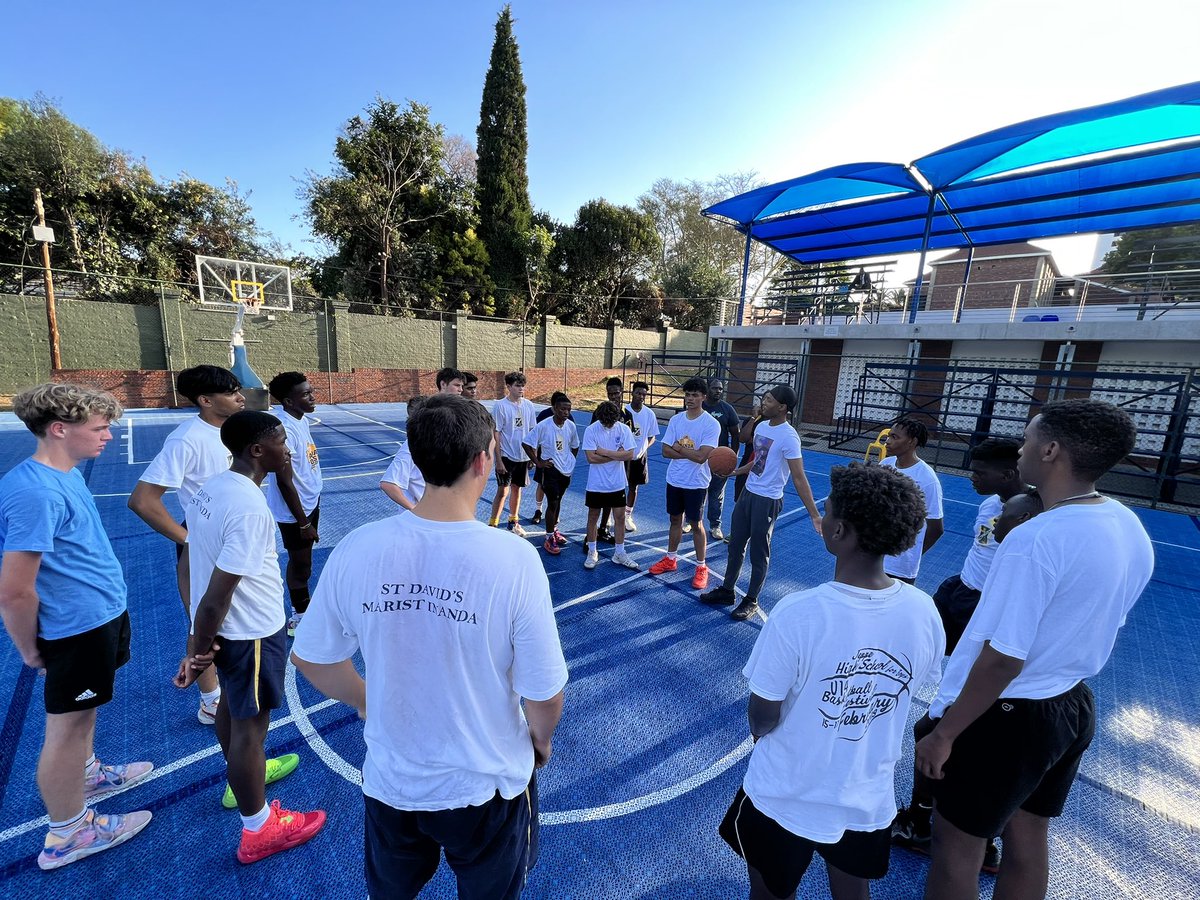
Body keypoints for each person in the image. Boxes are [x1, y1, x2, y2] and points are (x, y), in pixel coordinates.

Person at [291, 394, 567, 900]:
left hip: (393, 780)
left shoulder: (359, 546)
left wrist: (364, 698)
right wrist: (540, 742)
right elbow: (544, 692)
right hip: (485, 785)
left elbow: (311, 656)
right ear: (485, 458)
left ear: (416, 459)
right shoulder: (512, 559)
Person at [916, 400, 1153, 900]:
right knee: (1027, 836)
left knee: (957, 846)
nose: (1020, 450)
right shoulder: (1126, 522)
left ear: (1050, 450)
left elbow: (1004, 656)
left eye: (1027, 440)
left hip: (1006, 716)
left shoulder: (1036, 538)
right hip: (1069, 703)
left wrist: (947, 732)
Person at [718, 463, 944, 900]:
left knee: (769, 892)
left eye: (827, 511)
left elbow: (762, 715)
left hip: (786, 792)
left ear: (838, 532)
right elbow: (910, 689)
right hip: (865, 790)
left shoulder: (799, 612)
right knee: (852, 890)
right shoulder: (923, 611)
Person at [0, 383, 153, 870]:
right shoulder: (35, 492)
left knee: (85, 716)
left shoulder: (63, 475)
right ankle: (67, 833)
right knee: (65, 729)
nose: (109, 435)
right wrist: (29, 651)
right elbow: (14, 590)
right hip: (75, 629)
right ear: (60, 429)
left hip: (99, 616)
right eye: (100, 428)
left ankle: (87, 775)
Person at [173, 410, 324, 864]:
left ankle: (242, 779)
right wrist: (198, 652)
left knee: (234, 713)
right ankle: (259, 828)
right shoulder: (248, 507)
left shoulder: (214, 488)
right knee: (250, 730)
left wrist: (202, 641)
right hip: (253, 632)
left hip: (233, 631)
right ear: (258, 450)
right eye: (281, 441)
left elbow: (200, 570)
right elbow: (219, 594)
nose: (289, 448)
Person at [892, 486, 1044, 875]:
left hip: (995, 692)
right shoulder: (1015, 553)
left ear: (1025, 520)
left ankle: (930, 827)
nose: (998, 521)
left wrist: (946, 722)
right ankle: (968, 835)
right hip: (972, 619)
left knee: (935, 736)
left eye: (1006, 515)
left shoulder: (1021, 566)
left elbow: (1001, 658)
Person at [128, 364, 244, 724]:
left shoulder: (237, 430)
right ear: (205, 400)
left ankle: (235, 685)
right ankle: (211, 700)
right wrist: (190, 540)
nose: (240, 396)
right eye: (230, 392)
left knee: (240, 618)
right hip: (205, 543)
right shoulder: (187, 439)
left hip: (237, 539)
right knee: (204, 619)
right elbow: (142, 500)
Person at [699, 385, 822, 622]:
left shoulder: (789, 436)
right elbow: (758, 462)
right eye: (764, 398)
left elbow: (798, 477)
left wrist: (814, 514)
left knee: (759, 552)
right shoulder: (762, 426)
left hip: (768, 499)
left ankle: (751, 599)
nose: (763, 403)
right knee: (735, 545)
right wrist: (735, 472)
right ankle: (727, 590)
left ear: (783, 407)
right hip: (748, 493)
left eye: (769, 399)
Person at [931, 438, 1025, 654]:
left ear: (1008, 475)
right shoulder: (990, 504)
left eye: (979, 473)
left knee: (970, 660)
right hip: (962, 587)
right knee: (931, 644)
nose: (972, 478)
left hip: (986, 602)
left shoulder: (1033, 513)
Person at [263, 372, 322, 637]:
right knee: (301, 565)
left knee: (304, 561)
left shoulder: (301, 419)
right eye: (306, 394)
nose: (312, 397)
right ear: (288, 401)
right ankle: (299, 615)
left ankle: (304, 608)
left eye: (311, 391)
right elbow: (285, 482)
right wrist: (304, 522)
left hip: (309, 502)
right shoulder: (283, 429)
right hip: (295, 512)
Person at [648, 377, 720, 590]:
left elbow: (701, 457)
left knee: (697, 524)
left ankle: (701, 566)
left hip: (697, 483)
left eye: (695, 395)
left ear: (703, 397)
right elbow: (664, 450)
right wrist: (687, 451)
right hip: (675, 479)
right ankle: (671, 559)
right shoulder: (676, 420)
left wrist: (679, 448)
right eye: (687, 394)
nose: (690, 399)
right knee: (674, 520)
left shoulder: (710, 424)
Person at [880, 417, 943, 585]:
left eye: (895, 437)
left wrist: (911, 552)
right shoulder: (885, 464)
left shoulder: (927, 478)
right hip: (875, 556)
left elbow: (936, 528)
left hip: (899, 567)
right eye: (889, 435)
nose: (888, 441)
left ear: (912, 442)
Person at [581, 401, 639, 571]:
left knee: (620, 517)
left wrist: (604, 452)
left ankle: (619, 553)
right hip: (596, 483)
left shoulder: (623, 429)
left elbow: (629, 454)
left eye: (612, 421)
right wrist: (617, 455)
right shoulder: (591, 430)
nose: (609, 424)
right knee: (593, 517)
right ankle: (592, 552)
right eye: (606, 422)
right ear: (600, 418)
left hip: (617, 482)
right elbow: (591, 458)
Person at [524, 393, 579, 556]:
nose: (566, 412)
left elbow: (575, 445)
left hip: (565, 470)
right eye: (562, 409)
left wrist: (570, 460)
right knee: (553, 502)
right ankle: (548, 537)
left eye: (568, 410)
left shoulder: (571, 426)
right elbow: (527, 443)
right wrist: (538, 462)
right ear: (554, 409)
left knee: (558, 501)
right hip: (550, 470)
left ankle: (554, 530)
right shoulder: (544, 425)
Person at [490, 372, 538, 536]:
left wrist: (534, 456)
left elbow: (532, 431)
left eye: (523, 385)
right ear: (509, 387)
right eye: (517, 385)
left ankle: (513, 522)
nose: (521, 388)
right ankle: (493, 525)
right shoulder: (500, 406)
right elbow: (496, 433)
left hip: (523, 456)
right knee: (503, 491)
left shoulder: (529, 406)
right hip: (506, 456)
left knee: (517, 489)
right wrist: (498, 461)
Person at [590, 378, 635, 544]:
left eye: (616, 393)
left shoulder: (626, 415)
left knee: (612, 500)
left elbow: (629, 444)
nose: (613, 396)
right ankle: (591, 537)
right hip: (601, 464)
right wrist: (615, 453)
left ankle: (603, 528)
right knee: (597, 503)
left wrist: (620, 454)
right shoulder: (599, 413)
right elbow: (593, 440)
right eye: (610, 394)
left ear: (622, 391)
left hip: (620, 465)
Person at [702, 378, 740, 541]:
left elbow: (736, 435)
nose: (718, 391)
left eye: (720, 389)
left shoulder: (727, 409)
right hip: (701, 458)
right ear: (707, 389)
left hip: (720, 460)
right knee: (698, 491)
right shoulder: (700, 407)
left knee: (716, 495)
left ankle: (715, 525)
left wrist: (733, 457)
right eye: (715, 388)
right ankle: (691, 520)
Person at [623, 380, 659, 534]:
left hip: (639, 457)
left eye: (644, 394)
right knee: (617, 487)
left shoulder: (649, 414)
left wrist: (645, 447)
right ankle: (612, 514)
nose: (641, 396)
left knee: (633, 487)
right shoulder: (624, 411)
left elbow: (652, 437)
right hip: (622, 457)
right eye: (638, 393)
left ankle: (627, 515)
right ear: (632, 393)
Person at [381, 396, 427, 510]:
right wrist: (414, 510)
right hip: (421, 518)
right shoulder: (410, 447)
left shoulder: (430, 442)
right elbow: (388, 484)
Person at [528, 404, 555, 526]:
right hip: (543, 457)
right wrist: (534, 459)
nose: (564, 412)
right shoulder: (544, 415)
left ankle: (554, 511)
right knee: (541, 484)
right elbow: (534, 437)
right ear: (554, 406)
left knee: (557, 487)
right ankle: (538, 510)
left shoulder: (568, 417)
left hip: (559, 460)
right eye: (561, 408)